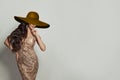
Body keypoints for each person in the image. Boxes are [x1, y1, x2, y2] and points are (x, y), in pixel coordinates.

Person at [4, 11, 50, 80]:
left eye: (35, 23)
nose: (33, 24)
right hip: (22, 61)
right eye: (31, 22)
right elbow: (6, 41)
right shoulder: (20, 31)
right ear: (27, 21)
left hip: (33, 62)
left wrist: (36, 35)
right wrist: (15, 51)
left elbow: (43, 48)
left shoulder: (35, 34)